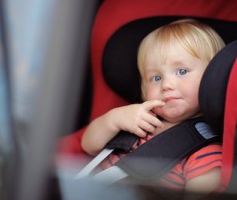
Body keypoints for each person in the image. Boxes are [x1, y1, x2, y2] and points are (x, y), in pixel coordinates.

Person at [81, 19, 225, 197]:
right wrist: (114, 119)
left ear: (213, 77)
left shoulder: (206, 153)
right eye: (156, 78)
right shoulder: (136, 121)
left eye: (181, 71)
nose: (166, 84)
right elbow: (88, 145)